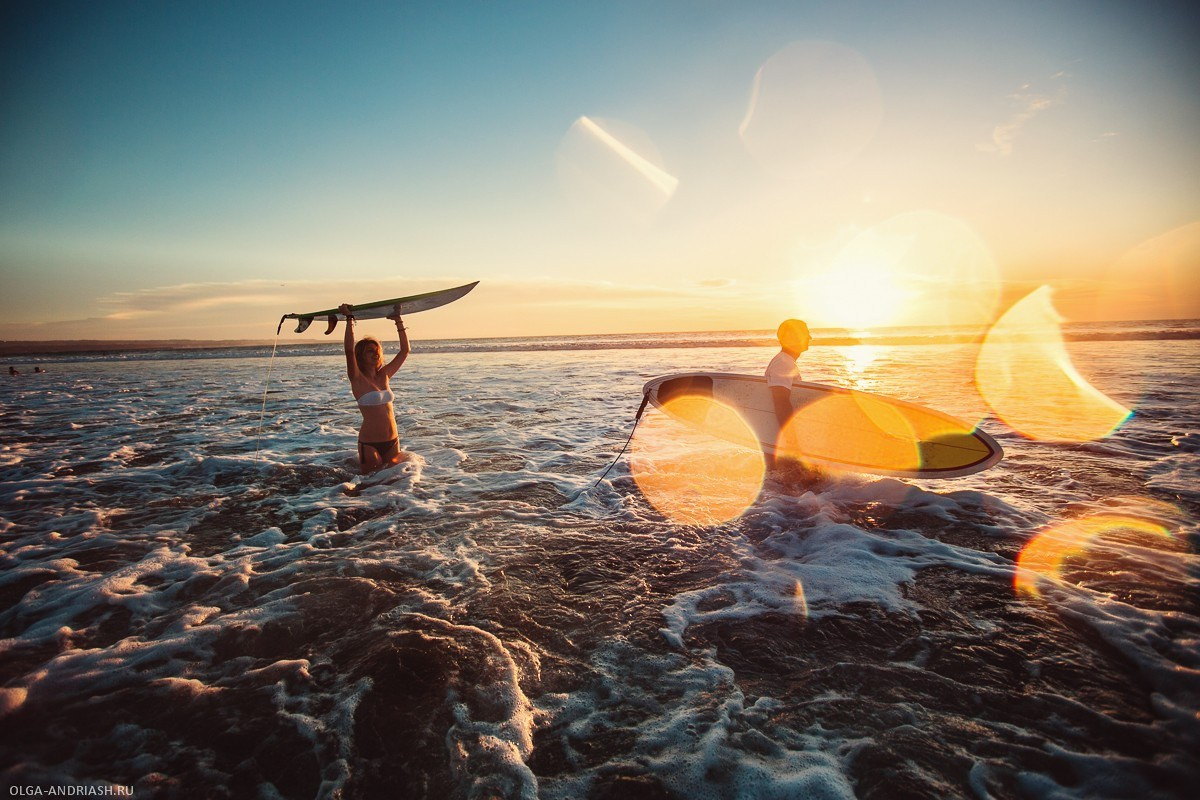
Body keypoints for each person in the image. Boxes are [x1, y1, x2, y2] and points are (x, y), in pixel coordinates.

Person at [339, 303, 410, 473]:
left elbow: (405, 351)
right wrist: (349, 319)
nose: (375, 353)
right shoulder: (356, 378)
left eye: (377, 350)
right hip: (370, 444)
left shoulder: (384, 375)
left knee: (393, 485)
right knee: (370, 486)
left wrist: (398, 320)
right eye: (370, 351)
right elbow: (349, 350)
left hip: (393, 440)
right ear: (361, 355)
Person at [764, 319, 812, 470]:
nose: (810, 337)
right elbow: (780, 401)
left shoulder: (787, 362)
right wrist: (793, 443)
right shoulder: (783, 363)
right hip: (783, 448)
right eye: (805, 333)